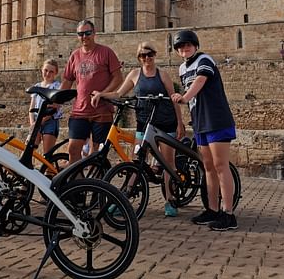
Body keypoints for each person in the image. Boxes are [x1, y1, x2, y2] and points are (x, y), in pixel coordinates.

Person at [91, 41, 185, 217]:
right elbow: (119, 93)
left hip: (165, 123)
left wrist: (180, 123)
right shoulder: (135, 74)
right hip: (144, 123)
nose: (146, 58)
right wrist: (102, 94)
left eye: (149, 55)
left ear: (154, 55)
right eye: (143, 56)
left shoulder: (162, 75)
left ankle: (169, 200)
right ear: (139, 58)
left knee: (168, 163)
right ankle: (124, 200)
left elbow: (173, 100)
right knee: (137, 161)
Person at [170, 30, 238, 231]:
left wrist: (184, 97)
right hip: (200, 122)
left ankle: (229, 214)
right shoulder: (182, 68)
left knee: (220, 165)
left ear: (195, 45)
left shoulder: (204, 59)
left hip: (216, 119)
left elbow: (200, 81)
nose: (185, 48)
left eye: (188, 45)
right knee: (207, 167)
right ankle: (213, 209)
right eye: (181, 47)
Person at [60, 19, 123, 164]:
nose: (84, 36)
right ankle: (79, 183)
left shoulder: (106, 52)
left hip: (102, 111)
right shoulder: (75, 55)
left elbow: (118, 78)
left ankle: (95, 185)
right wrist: (55, 102)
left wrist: (103, 93)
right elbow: (67, 81)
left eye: (87, 33)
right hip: (79, 111)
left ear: (94, 33)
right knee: (73, 149)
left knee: (96, 153)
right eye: (80, 34)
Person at [28, 59, 64, 153]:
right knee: (29, 150)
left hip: (50, 121)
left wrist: (39, 122)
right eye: (46, 70)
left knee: (47, 154)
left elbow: (55, 107)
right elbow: (31, 107)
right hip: (36, 120)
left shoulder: (57, 87)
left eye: (51, 71)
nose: (48, 74)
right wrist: (33, 123)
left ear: (55, 73)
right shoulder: (37, 86)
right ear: (42, 70)